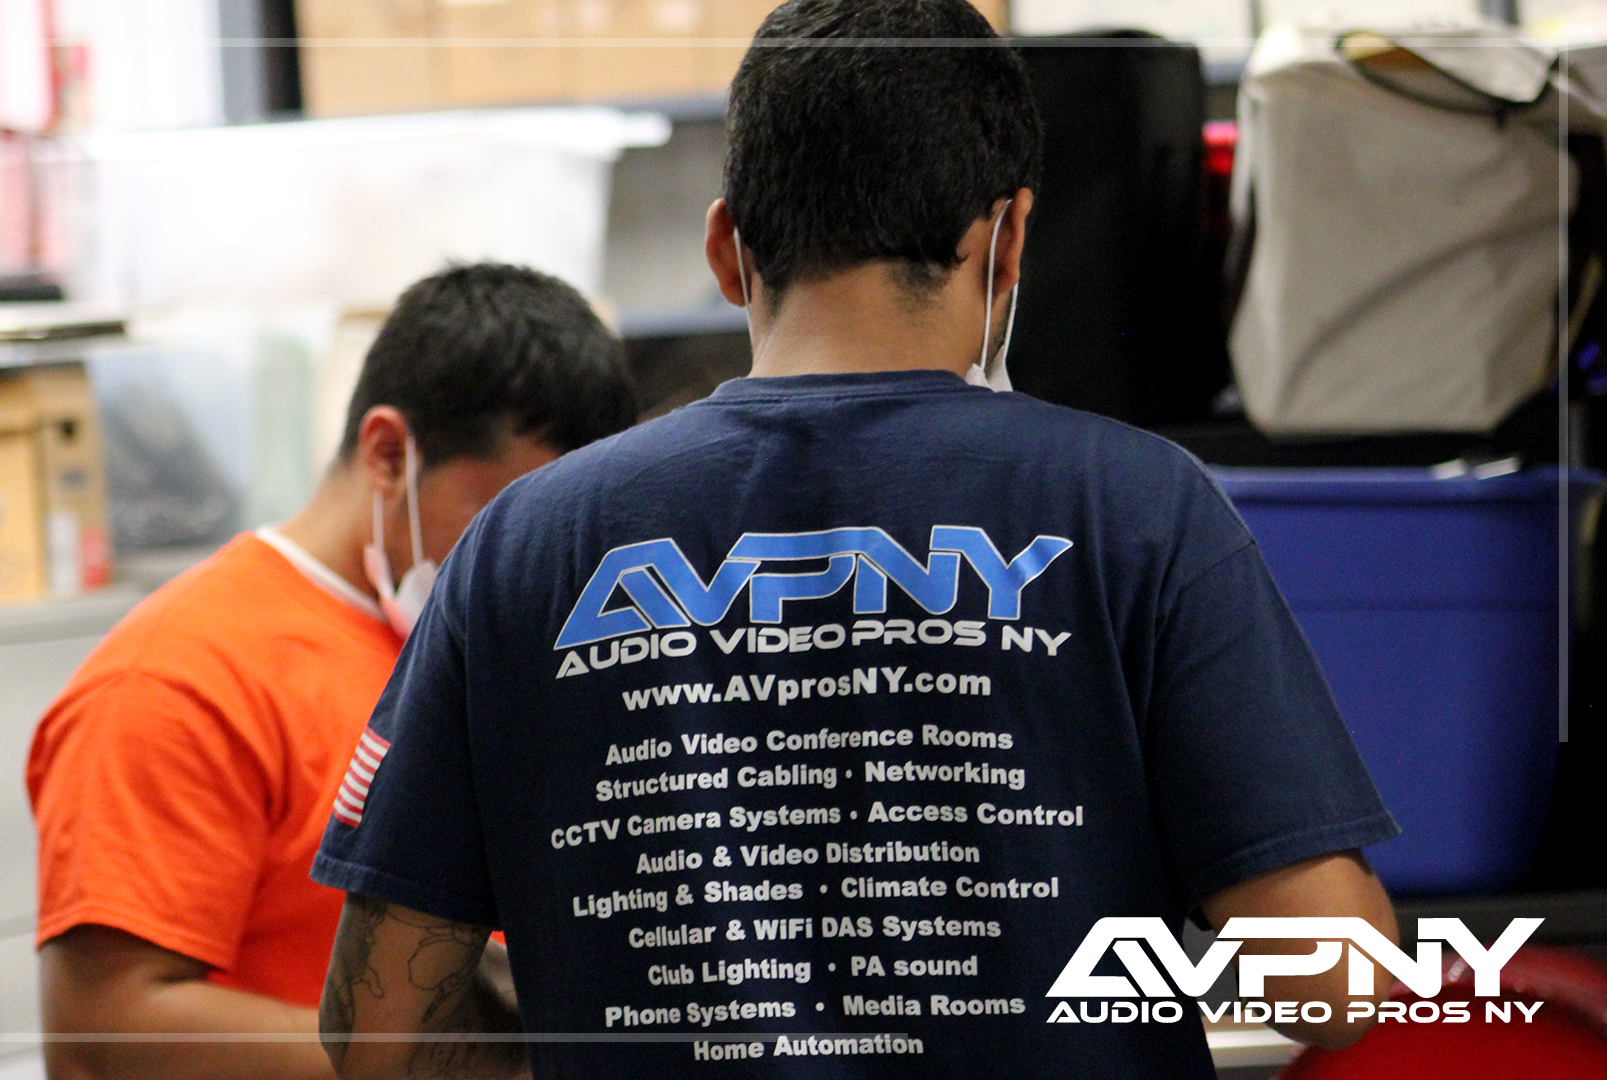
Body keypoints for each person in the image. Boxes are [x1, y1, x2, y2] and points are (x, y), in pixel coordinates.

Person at [309, 2, 1405, 1078]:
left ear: (727, 248)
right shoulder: (1136, 507)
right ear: (1009, 241)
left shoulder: (524, 547)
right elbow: (1335, 981)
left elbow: (377, 1035)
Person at [27, 263, 637, 1080]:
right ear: (387, 454)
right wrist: (454, 1062)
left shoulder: (479, 652)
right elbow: (102, 1027)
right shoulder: (177, 679)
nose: (528, 557)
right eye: (504, 516)